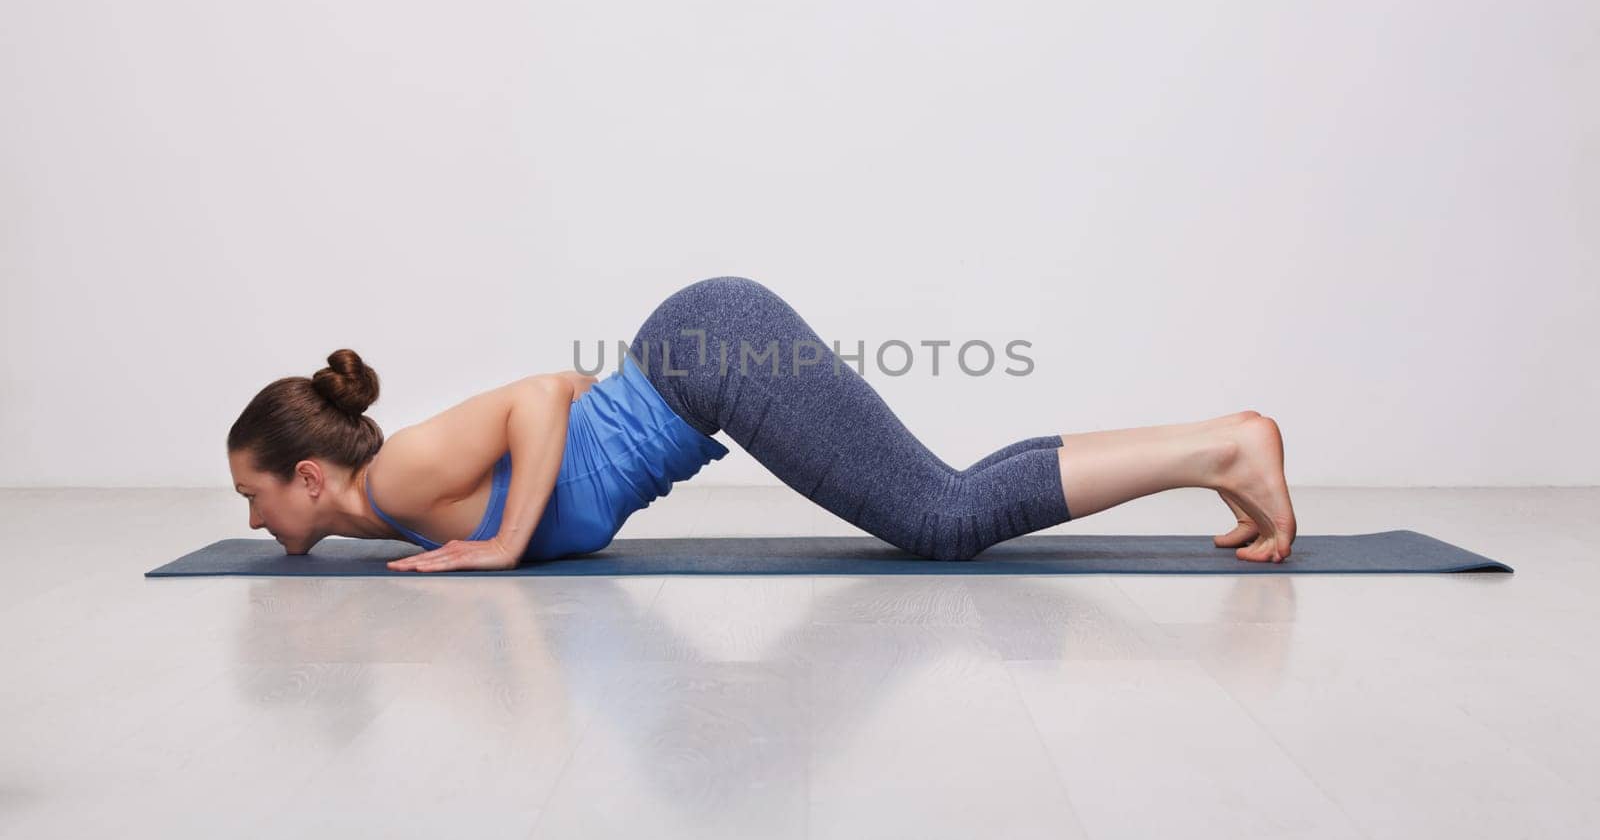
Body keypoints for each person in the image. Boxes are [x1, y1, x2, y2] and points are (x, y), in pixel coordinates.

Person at [226, 276, 1296, 571]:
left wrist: (504, 545)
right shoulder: (389, 520)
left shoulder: (402, 477)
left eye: (252, 491)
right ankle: (1216, 441)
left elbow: (540, 393)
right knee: (949, 493)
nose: (250, 512)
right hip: (704, 351)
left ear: (309, 475)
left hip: (709, 355)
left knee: (941, 520)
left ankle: (1226, 445)